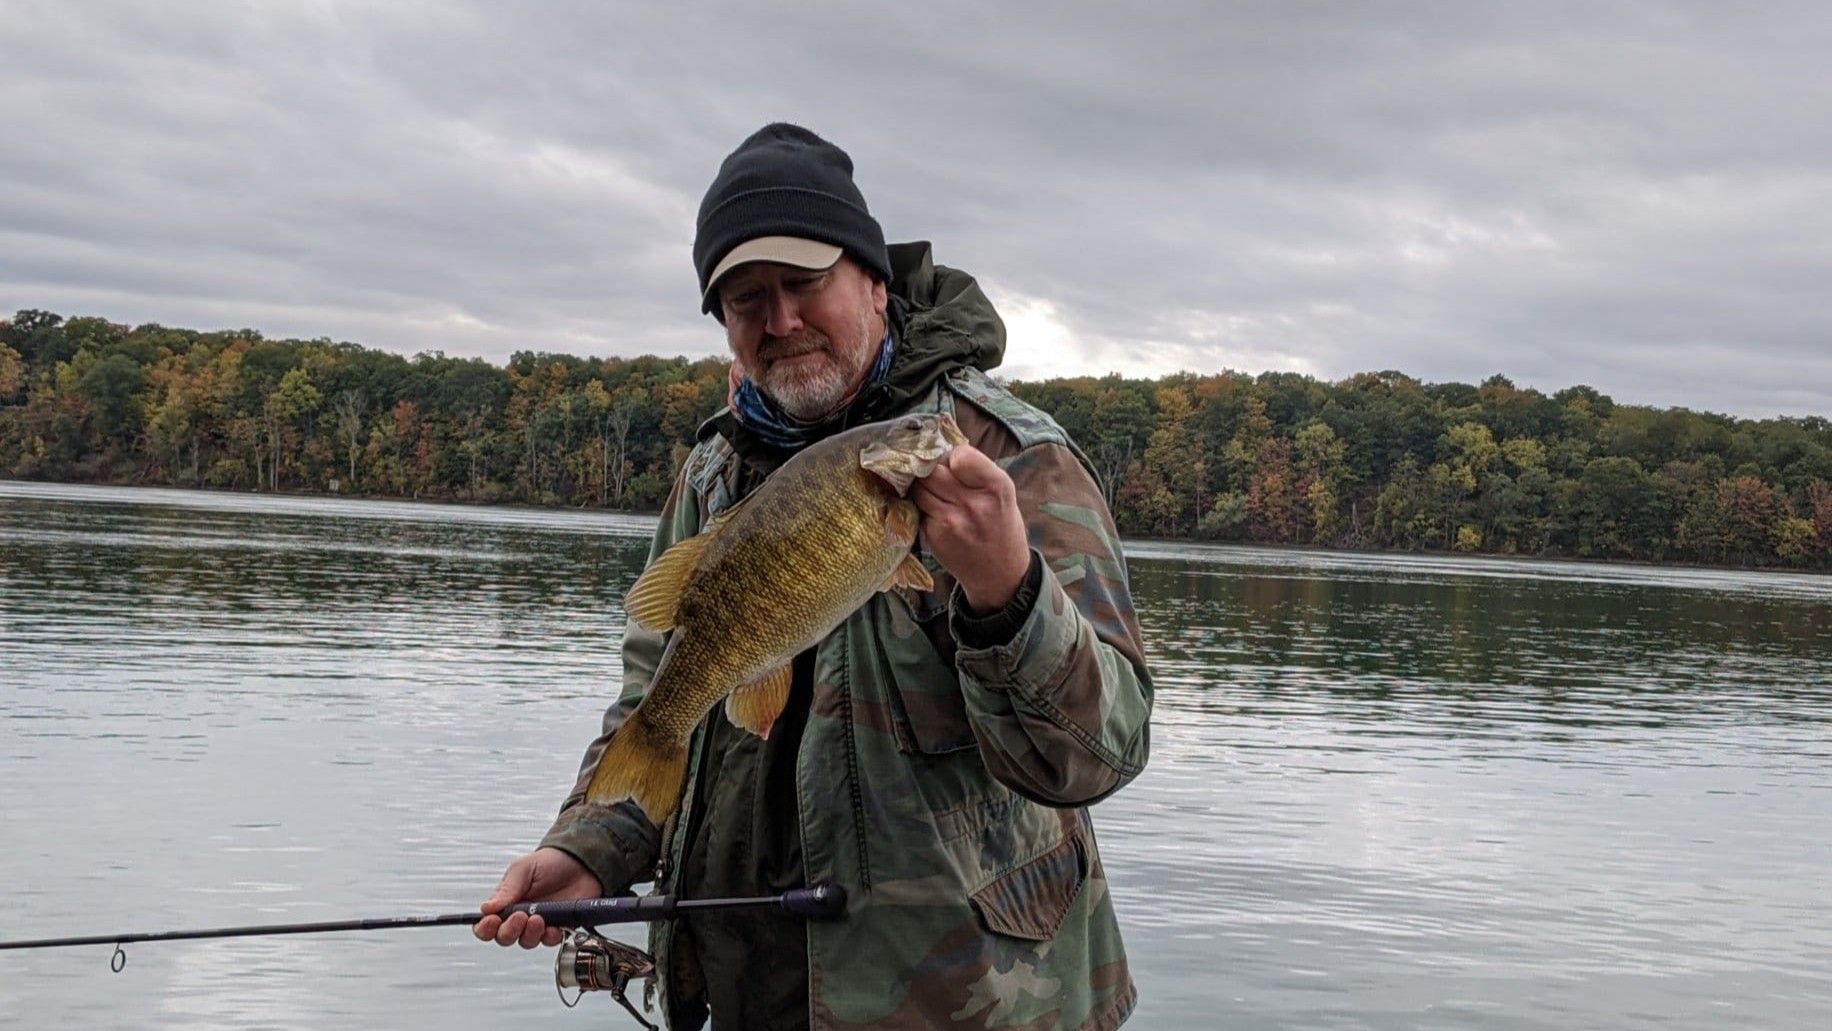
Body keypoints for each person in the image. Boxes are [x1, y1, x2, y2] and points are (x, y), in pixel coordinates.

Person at [475, 123, 1154, 1030]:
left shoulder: (1008, 459)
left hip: (967, 1004)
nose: (781, 320)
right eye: (747, 297)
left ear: (873, 280)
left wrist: (1010, 596)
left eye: (804, 283)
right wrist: (594, 844)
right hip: (750, 993)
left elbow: (1102, 752)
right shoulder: (712, 473)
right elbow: (660, 694)